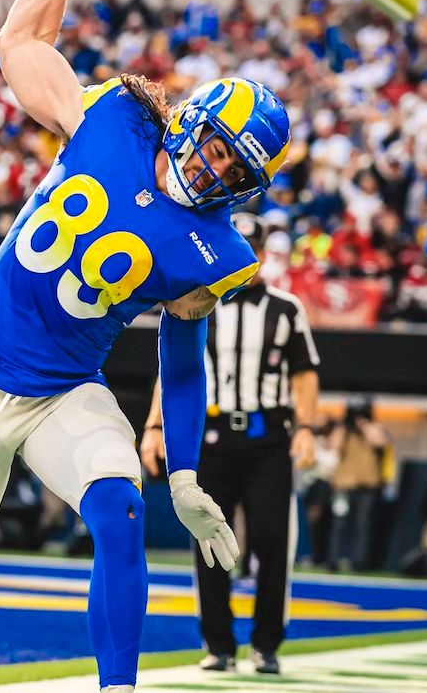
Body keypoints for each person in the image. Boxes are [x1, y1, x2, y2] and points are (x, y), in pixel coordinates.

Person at [0, 0, 291, 693]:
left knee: (121, 514)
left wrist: (184, 475)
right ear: (195, 122)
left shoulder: (219, 253)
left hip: (65, 391)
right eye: (220, 149)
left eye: (237, 173)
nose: (218, 174)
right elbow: (19, 43)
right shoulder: (114, 117)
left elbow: (181, 359)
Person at [140, 214, 321, 675]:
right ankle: (218, 644)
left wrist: (306, 428)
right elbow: (176, 371)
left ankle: (266, 645)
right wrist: (154, 428)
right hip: (213, 438)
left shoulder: (286, 308)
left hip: (268, 440)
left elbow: (303, 374)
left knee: (271, 541)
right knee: (208, 536)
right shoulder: (200, 301)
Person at [327, 396, 388, 571]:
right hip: (344, 485)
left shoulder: (374, 428)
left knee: (363, 525)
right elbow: (332, 446)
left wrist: (364, 424)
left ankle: (359, 561)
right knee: (339, 523)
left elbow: (379, 441)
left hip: (367, 486)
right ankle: (333, 559)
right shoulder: (343, 430)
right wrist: (344, 425)